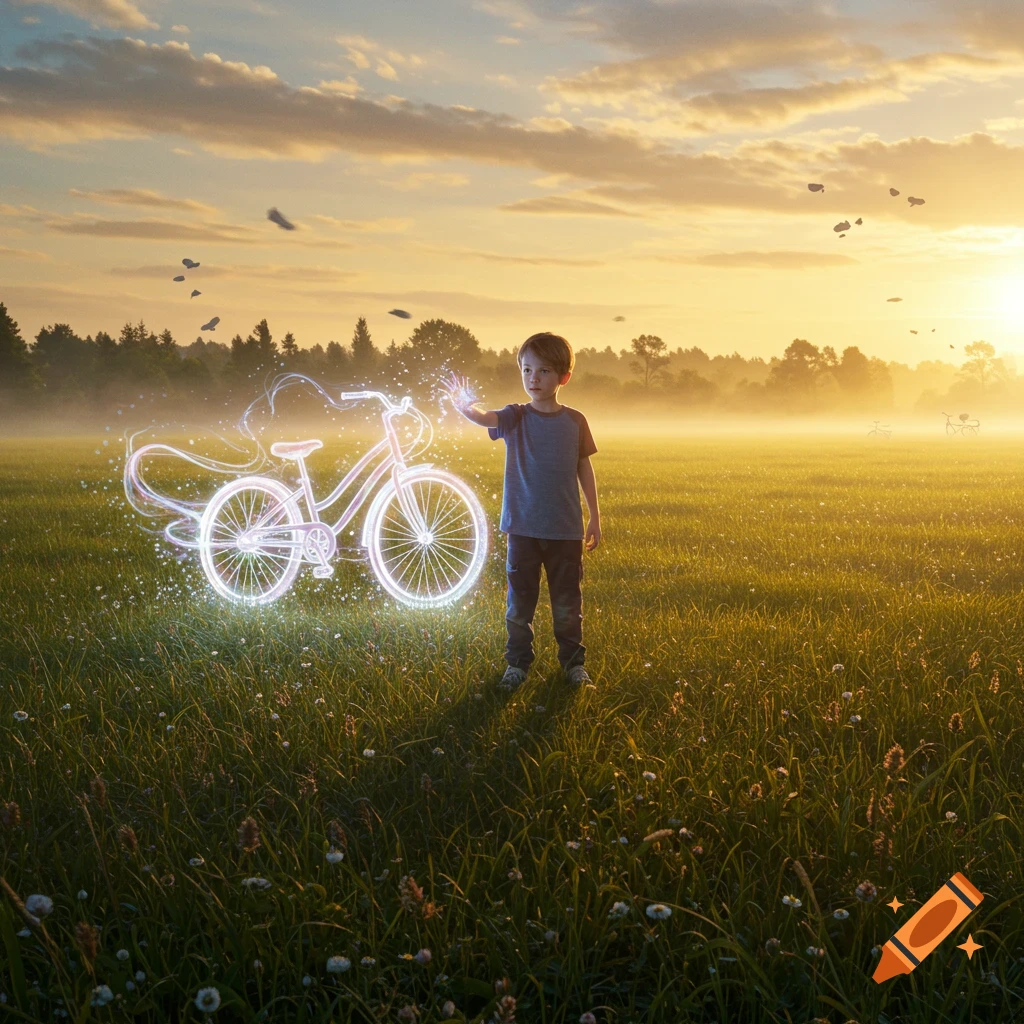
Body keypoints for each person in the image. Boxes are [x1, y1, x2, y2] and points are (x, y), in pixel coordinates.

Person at [441, 331, 601, 689]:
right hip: (522, 529)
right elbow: (485, 418)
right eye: (527, 370)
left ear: (564, 377)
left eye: (543, 371)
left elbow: (583, 468)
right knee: (519, 606)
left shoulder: (576, 422)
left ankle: (574, 665)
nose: (533, 378)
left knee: (567, 606)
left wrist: (595, 516)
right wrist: (463, 406)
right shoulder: (514, 417)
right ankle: (517, 665)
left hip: (565, 531)